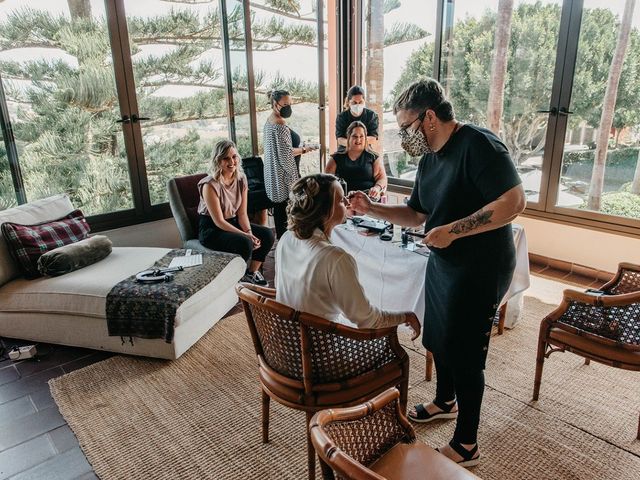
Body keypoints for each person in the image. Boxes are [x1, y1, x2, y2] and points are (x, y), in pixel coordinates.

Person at [348, 78, 526, 468]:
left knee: (466, 351)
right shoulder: (429, 157)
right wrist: (371, 209)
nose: (405, 136)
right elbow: (416, 213)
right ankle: (446, 400)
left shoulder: (479, 145)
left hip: (481, 265)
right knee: (439, 332)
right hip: (444, 261)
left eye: (407, 127)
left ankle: (467, 444)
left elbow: (514, 202)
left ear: (429, 117)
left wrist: (454, 229)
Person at [276, 173, 421, 335]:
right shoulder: (334, 258)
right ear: (325, 211)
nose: (346, 202)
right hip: (318, 347)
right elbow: (368, 320)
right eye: (340, 199)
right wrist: (405, 316)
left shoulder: (286, 238)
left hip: (287, 338)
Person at [198, 140, 275, 286]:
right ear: (218, 161)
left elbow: (242, 214)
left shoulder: (241, 179)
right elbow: (219, 221)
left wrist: (249, 232)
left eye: (234, 157)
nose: (232, 162)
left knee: (267, 234)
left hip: (233, 222)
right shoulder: (209, 185)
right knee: (245, 242)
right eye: (226, 158)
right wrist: (246, 236)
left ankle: (250, 274)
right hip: (212, 229)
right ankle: (234, 279)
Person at [263, 90, 318, 238]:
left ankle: (282, 249)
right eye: (285, 104)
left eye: (290, 104)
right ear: (275, 104)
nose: (289, 108)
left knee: (280, 215)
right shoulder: (280, 124)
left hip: (274, 178)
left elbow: (279, 149)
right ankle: (287, 250)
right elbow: (286, 155)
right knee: (287, 219)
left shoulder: (269, 120)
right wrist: (305, 149)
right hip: (284, 179)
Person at [325, 121, 387, 201]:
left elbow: (382, 178)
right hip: (344, 201)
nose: (358, 139)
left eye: (361, 136)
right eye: (355, 136)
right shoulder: (336, 158)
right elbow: (327, 182)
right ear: (348, 137)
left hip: (368, 200)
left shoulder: (373, 157)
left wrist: (377, 188)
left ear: (365, 138)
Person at [335, 85, 379, 152]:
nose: (358, 105)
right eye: (354, 103)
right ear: (348, 102)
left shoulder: (371, 115)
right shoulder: (342, 117)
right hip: (345, 150)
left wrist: (357, 143)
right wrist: (352, 144)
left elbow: (373, 138)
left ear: (364, 101)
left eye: (360, 102)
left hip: (365, 150)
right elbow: (340, 139)